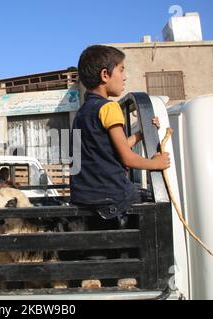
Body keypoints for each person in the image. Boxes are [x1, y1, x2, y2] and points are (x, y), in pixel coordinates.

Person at [70, 45, 170, 227]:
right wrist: (155, 163)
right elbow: (127, 158)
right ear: (105, 75)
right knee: (145, 199)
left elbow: (117, 147)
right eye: (121, 70)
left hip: (86, 198)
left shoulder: (82, 113)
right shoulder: (109, 107)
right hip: (111, 199)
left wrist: (141, 134)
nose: (124, 77)